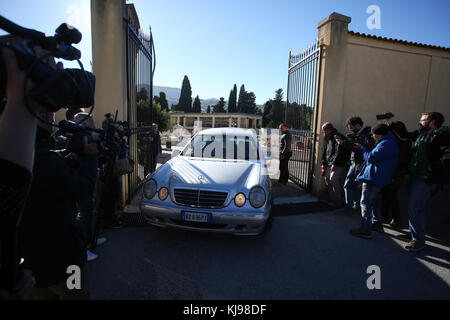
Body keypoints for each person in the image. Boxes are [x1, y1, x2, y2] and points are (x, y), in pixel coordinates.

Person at [0, 46, 62, 299]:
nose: (48, 116)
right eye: (44, 113)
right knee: (77, 289)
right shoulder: (45, 156)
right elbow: (79, 186)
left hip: (44, 256)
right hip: (59, 256)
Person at [19, 108, 99, 299]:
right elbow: (83, 188)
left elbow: (57, 172)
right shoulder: (41, 157)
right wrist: (90, 156)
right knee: (78, 294)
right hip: (67, 260)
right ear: (39, 117)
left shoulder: (18, 149)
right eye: (48, 113)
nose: (52, 118)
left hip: (33, 262)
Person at [405, 112, 450, 252]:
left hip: (425, 179)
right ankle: (415, 234)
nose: (420, 122)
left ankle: (418, 240)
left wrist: (435, 166)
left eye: (423, 120)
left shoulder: (441, 136)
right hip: (415, 175)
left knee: (415, 208)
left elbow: (447, 156)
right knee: (416, 208)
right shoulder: (422, 135)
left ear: (432, 122)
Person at [350, 124, 399, 239]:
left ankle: (365, 229)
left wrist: (362, 148)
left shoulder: (385, 144)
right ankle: (377, 224)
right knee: (375, 202)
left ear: (379, 134)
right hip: (378, 177)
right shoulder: (388, 142)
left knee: (365, 202)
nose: (372, 136)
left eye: (374, 134)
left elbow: (371, 157)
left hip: (374, 177)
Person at [380, 112, 411, 227]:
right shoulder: (395, 140)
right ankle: (384, 216)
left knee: (392, 196)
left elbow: (401, 160)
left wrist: (395, 174)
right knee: (385, 194)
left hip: (397, 173)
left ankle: (395, 218)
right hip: (389, 171)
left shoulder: (403, 143)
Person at [339, 117, 374, 213]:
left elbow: (362, 147)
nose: (350, 130)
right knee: (352, 185)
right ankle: (355, 206)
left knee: (349, 184)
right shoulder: (356, 135)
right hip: (355, 162)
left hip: (361, 162)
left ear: (358, 125)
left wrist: (346, 144)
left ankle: (350, 206)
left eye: (352, 128)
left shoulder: (367, 135)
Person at [321, 122, 351, 208]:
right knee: (327, 179)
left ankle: (338, 201)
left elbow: (339, 151)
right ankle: (332, 198)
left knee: (333, 180)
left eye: (324, 131)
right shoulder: (329, 137)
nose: (323, 133)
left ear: (329, 130)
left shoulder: (336, 137)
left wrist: (335, 163)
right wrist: (324, 163)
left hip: (338, 164)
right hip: (330, 163)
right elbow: (326, 151)